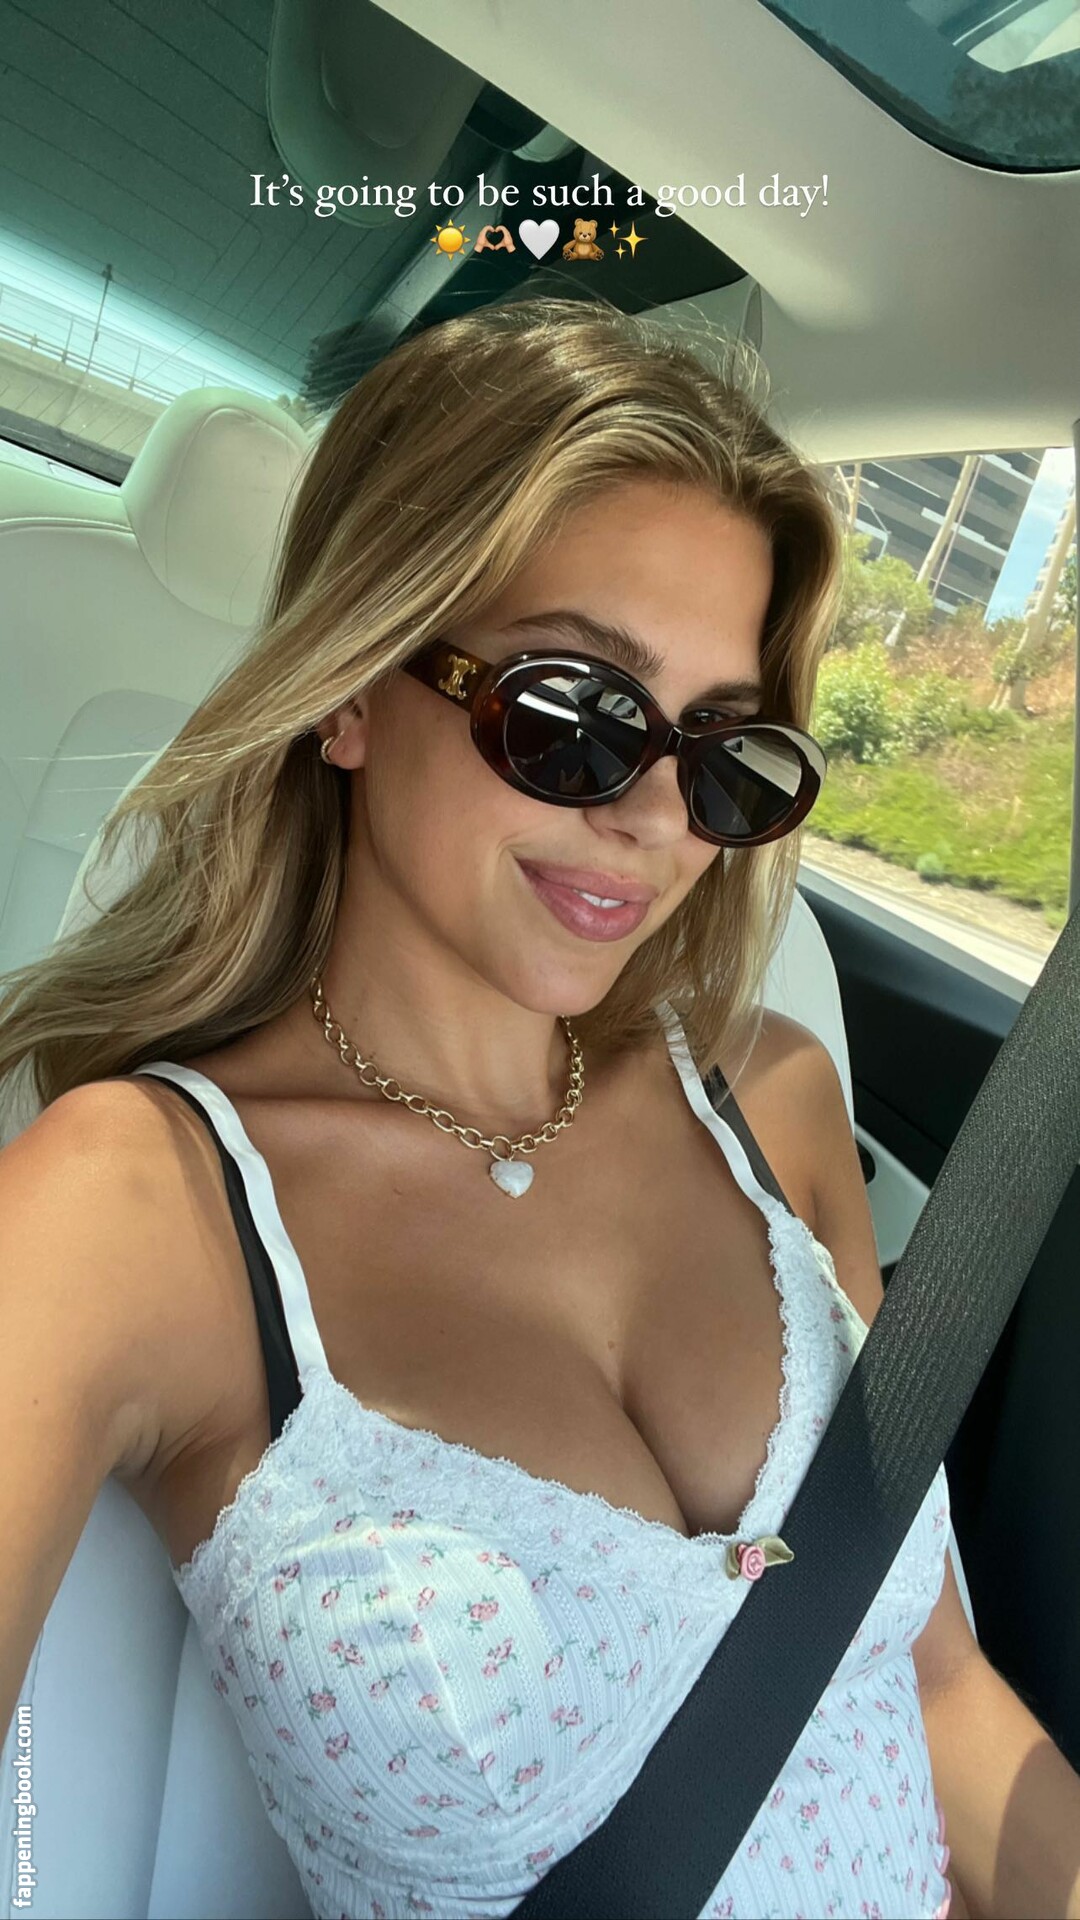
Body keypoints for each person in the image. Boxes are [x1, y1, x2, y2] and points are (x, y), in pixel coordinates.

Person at [1, 295, 979, 1918]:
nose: (660, 823)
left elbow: (944, 1701)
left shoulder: (776, 1100)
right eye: (573, 715)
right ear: (350, 688)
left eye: (727, 757)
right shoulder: (125, 1206)